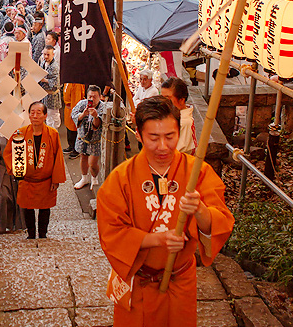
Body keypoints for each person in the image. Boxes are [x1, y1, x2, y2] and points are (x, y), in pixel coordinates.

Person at [96, 96, 234, 327]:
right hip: (138, 281)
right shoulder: (120, 180)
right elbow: (111, 233)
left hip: (180, 280)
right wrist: (156, 239)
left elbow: (220, 223)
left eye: (170, 136)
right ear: (138, 135)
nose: (163, 146)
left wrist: (199, 210)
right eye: (153, 137)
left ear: (179, 132)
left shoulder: (197, 171)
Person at [3, 102, 66, 239]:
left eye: (39, 112)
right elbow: (9, 153)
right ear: (29, 115)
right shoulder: (20, 133)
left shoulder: (52, 134)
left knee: (45, 208)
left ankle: (43, 234)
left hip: (45, 180)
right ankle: (31, 234)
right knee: (27, 208)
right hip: (27, 180)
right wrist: (16, 171)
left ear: (45, 115)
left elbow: (58, 158)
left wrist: (56, 180)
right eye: (32, 112)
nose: (35, 115)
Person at [72, 85, 106, 190]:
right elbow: (73, 115)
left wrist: (95, 116)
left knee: (92, 163)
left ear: (100, 97)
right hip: (82, 137)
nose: (91, 99)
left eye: (94, 97)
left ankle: (94, 178)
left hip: (96, 140)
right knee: (83, 157)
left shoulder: (103, 107)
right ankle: (84, 178)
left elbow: (99, 124)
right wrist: (83, 114)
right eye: (90, 96)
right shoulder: (82, 104)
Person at [160, 77, 197, 155]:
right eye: (161, 98)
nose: (162, 103)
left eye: (167, 99)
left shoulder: (184, 122)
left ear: (181, 100)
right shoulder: (170, 115)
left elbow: (174, 152)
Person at [39, 45, 61, 129]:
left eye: (48, 54)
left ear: (53, 55)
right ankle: (48, 131)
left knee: (54, 116)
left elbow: (56, 83)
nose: (46, 56)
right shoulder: (43, 62)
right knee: (47, 115)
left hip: (53, 95)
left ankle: (54, 132)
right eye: (44, 54)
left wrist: (44, 80)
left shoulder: (54, 66)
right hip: (45, 94)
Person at [62, 83, 85, 159]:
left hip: (73, 108)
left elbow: (77, 100)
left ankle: (76, 149)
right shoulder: (67, 82)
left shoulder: (77, 84)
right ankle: (71, 146)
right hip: (67, 108)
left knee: (74, 129)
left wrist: (74, 112)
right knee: (69, 128)